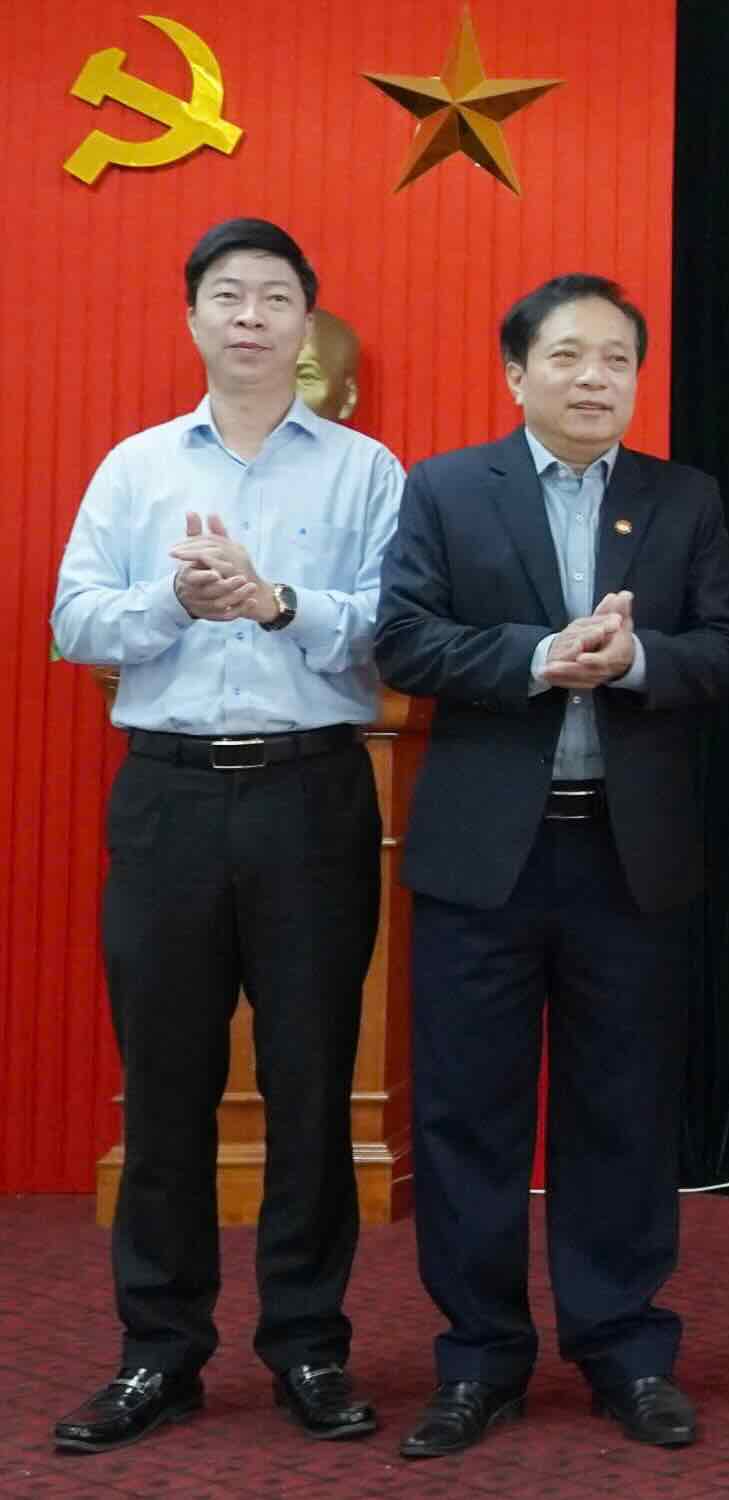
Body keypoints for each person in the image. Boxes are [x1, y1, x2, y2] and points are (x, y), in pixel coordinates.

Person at [374, 274, 729, 1457]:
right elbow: (405, 638)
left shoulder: (681, 499)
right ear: (516, 373)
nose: (596, 380)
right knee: (466, 1118)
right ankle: (479, 1354)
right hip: (485, 859)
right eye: (570, 357)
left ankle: (625, 1348)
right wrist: (540, 657)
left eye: (617, 360)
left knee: (622, 1115)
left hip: (627, 860)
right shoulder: (445, 489)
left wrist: (636, 664)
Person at [49, 218, 400, 1453]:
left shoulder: (367, 471)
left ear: (308, 320)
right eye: (227, 297)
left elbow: (394, 632)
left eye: (274, 298)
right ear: (193, 317)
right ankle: (161, 1353)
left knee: (310, 1085)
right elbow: (74, 620)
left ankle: (308, 1345)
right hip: (171, 799)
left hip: (314, 794)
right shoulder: (137, 468)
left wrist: (279, 603)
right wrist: (171, 603)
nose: (249, 317)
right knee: (167, 1083)